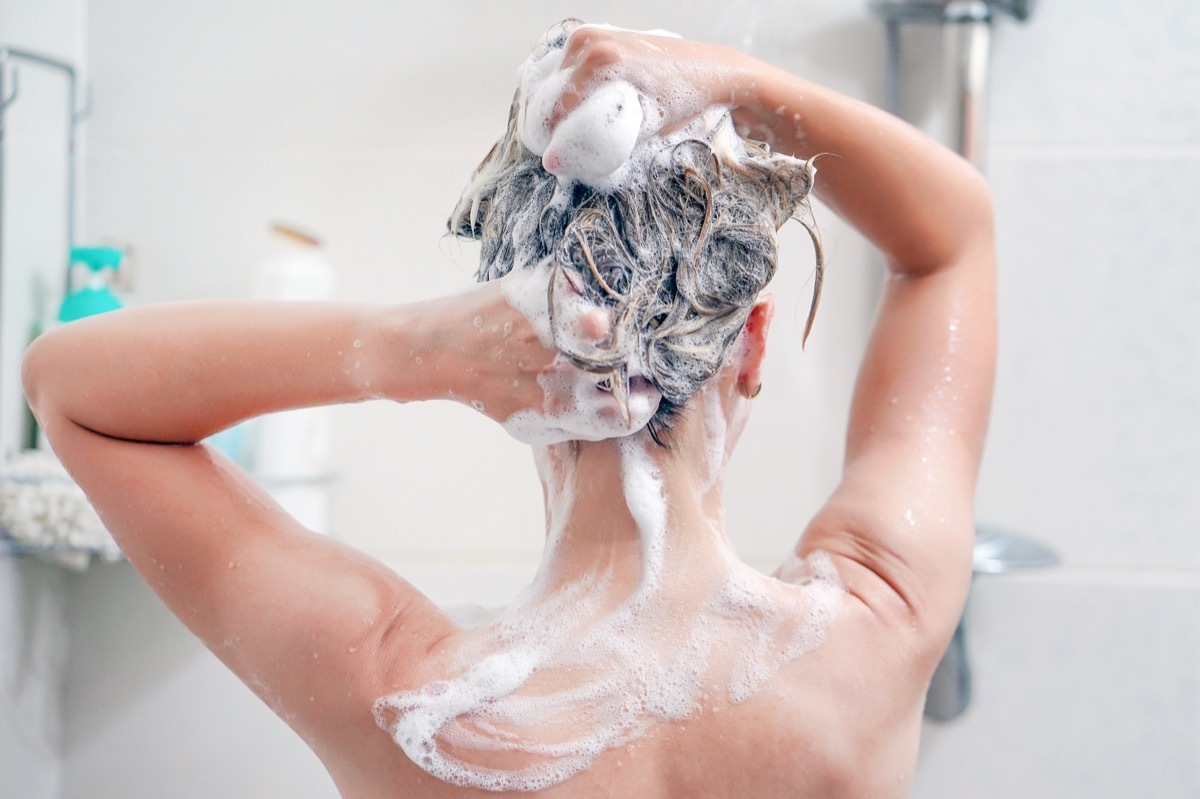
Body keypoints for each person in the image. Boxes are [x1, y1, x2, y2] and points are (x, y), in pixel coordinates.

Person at [21, 20, 995, 799]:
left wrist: (406, 348)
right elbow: (953, 236)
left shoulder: (410, 703)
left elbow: (72, 387)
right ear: (752, 341)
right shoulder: (877, 627)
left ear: (502, 326)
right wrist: (735, 80)